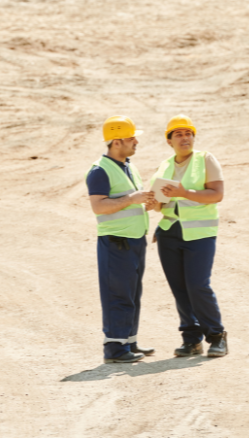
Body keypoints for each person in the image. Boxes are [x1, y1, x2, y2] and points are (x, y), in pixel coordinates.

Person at [147, 115, 228, 357]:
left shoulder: (206, 160)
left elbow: (216, 194)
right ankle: (191, 339)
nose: (185, 138)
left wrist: (184, 193)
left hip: (200, 234)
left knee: (197, 285)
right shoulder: (164, 166)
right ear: (169, 141)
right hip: (170, 233)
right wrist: (153, 204)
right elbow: (161, 202)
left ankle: (217, 336)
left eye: (188, 133)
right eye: (178, 134)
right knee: (179, 288)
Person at [87, 115, 155, 364]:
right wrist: (132, 199)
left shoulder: (129, 166)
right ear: (116, 142)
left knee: (132, 293)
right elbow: (99, 206)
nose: (136, 141)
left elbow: (130, 201)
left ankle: (129, 341)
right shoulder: (99, 171)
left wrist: (148, 202)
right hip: (116, 242)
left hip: (135, 240)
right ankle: (114, 348)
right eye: (130, 138)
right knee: (118, 294)